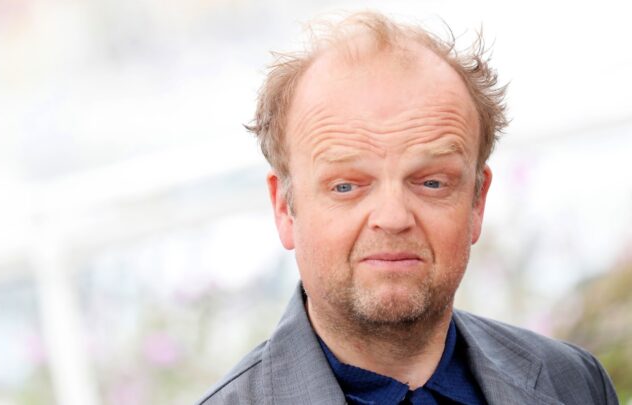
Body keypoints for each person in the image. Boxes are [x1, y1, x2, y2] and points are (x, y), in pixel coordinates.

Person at [196, 11, 618, 405]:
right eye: (346, 186)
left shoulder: (575, 383)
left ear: (477, 201)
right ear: (284, 209)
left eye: (432, 182)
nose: (394, 218)